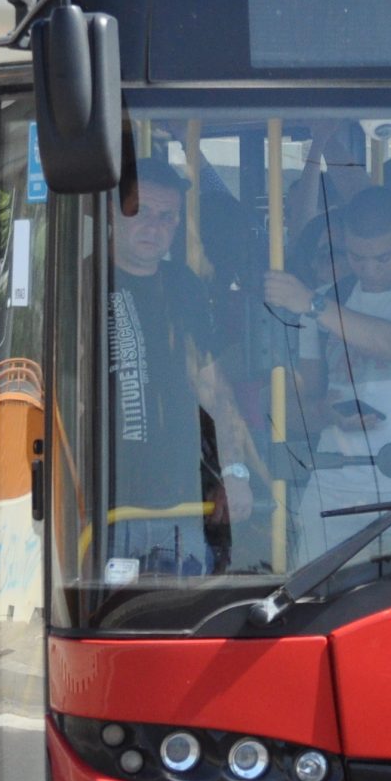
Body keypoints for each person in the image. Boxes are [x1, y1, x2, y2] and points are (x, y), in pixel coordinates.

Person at [264, 186, 391, 556]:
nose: (370, 269)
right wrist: (324, 414)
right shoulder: (327, 300)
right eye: (356, 257)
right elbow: (295, 412)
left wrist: (312, 304)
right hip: (334, 485)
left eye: (382, 257)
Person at [104, 155, 267, 580]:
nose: (155, 226)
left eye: (168, 217)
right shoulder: (83, 281)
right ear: (111, 212)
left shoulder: (184, 286)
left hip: (183, 503)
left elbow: (213, 388)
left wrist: (233, 471)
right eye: (140, 211)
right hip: (103, 508)